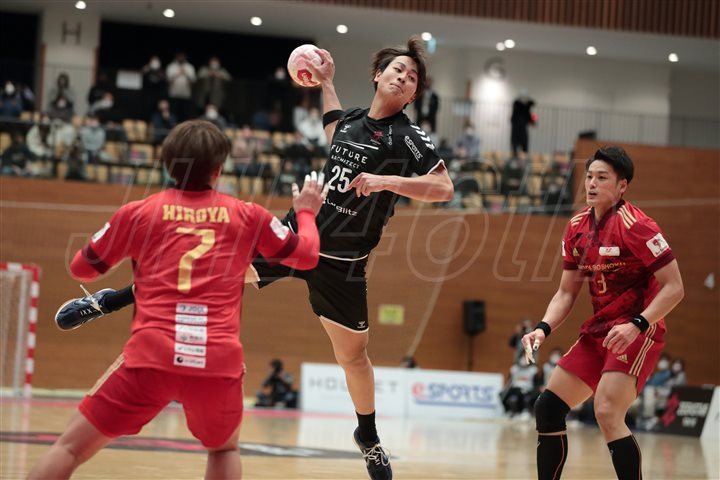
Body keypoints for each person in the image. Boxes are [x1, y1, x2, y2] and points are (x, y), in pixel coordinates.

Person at [54, 37, 454, 480]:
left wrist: (385, 181)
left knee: (354, 358)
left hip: (344, 263)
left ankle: (368, 436)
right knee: (203, 274)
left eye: (411, 77)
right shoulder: (353, 120)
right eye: (397, 69)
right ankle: (107, 301)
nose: (403, 77)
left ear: (413, 95)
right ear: (378, 75)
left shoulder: (409, 137)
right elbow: (335, 133)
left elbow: (444, 188)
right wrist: (327, 83)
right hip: (295, 239)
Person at [28, 120, 326, 479]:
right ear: (219, 170)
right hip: (215, 361)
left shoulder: (139, 212)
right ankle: (112, 301)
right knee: (224, 450)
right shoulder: (248, 214)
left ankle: (109, 301)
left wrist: (113, 238)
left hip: (151, 357)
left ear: (168, 164)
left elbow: (82, 269)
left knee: (69, 448)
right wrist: (305, 211)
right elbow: (307, 256)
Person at [521, 146, 684, 480]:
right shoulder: (576, 227)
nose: (592, 184)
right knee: (548, 407)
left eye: (602, 178)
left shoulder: (638, 226)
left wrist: (638, 324)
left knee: (607, 411)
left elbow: (674, 288)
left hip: (638, 330)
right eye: (589, 176)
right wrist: (542, 328)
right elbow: (566, 292)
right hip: (600, 330)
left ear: (622, 185)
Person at [510, 89, 535, 157]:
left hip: (522, 129)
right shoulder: (517, 104)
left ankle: (522, 155)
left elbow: (532, 103)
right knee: (515, 144)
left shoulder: (527, 106)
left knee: (524, 144)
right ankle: (515, 155)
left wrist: (532, 121)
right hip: (516, 129)